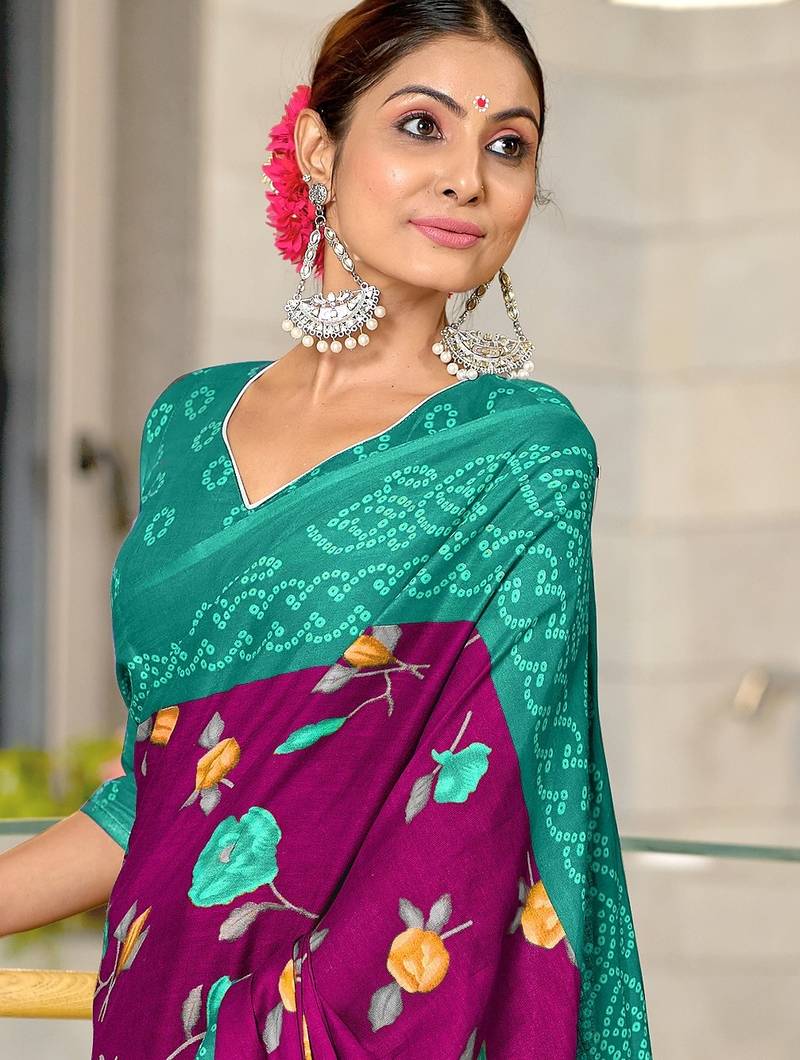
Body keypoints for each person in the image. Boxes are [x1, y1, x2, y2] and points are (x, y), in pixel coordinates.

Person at [0, 2, 652, 1056]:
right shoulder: (185, 425)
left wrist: (278, 1027)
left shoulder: (517, 453)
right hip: (150, 1007)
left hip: (337, 1030)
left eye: (507, 146)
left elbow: (479, 822)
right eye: (420, 126)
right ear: (317, 146)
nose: (467, 178)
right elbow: (166, 794)